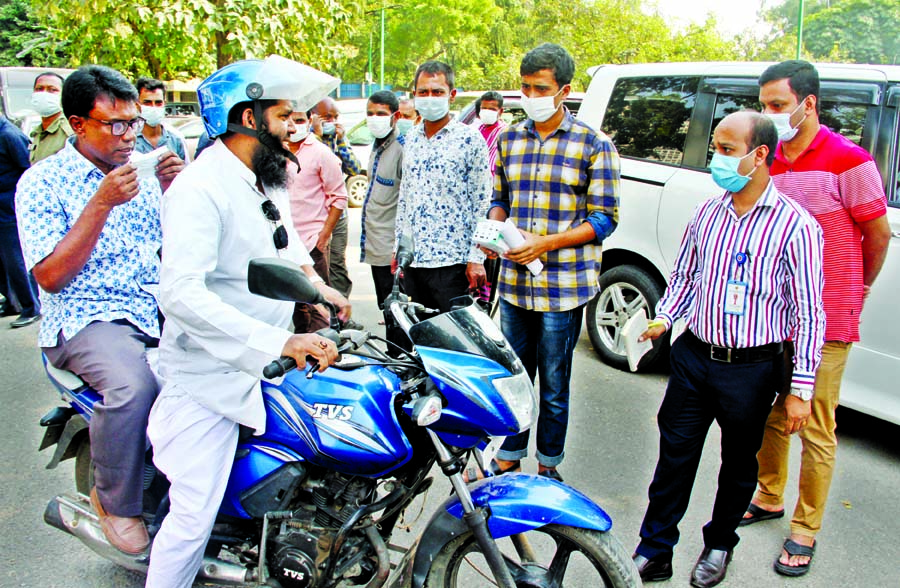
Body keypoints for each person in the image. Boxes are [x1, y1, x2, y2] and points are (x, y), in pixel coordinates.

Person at [145, 56, 348, 588]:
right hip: (207, 378)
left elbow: (288, 246)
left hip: (268, 367)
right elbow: (180, 294)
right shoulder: (200, 188)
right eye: (285, 115)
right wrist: (282, 338)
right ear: (248, 118)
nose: (296, 128)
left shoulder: (268, 178)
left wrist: (322, 289)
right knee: (192, 515)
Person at [631, 111, 825, 588]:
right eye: (715, 146)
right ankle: (655, 550)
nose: (716, 158)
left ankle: (719, 545)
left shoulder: (796, 226)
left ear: (760, 155)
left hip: (752, 368)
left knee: (740, 464)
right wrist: (666, 316)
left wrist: (801, 387)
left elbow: (809, 313)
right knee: (673, 457)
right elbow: (685, 278)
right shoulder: (707, 213)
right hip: (695, 357)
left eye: (727, 149)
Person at [15, 65, 184, 555]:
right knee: (134, 388)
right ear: (77, 123)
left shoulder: (146, 168)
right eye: (115, 124)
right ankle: (117, 503)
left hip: (156, 306)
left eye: (134, 122)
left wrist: (181, 190)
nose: (130, 134)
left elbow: (178, 244)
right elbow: (49, 275)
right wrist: (100, 203)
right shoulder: (42, 182)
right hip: (88, 317)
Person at [741, 60, 892, 577]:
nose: (770, 115)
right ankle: (768, 495)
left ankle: (805, 529)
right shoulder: (770, 158)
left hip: (826, 318)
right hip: (771, 316)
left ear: (809, 104)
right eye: (764, 105)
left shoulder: (849, 161)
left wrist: (857, 287)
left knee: (814, 422)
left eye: (778, 106)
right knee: (769, 415)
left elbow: (877, 235)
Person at [484, 44, 619, 482]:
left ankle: (548, 464)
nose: (530, 94)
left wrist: (546, 243)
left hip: (564, 287)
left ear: (564, 90)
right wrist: (493, 231)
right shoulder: (509, 139)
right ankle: (510, 454)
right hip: (515, 284)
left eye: (539, 88)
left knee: (555, 385)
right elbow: (500, 200)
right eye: (524, 86)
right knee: (514, 377)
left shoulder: (594, 145)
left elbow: (604, 219)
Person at [395, 60, 491, 314]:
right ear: (414, 94)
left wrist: (476, 258)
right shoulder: (412, 138)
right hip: (414, 261)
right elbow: (406, 196)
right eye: (423, 92)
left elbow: (482, 202)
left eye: (437, 92)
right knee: (419, 341)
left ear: (452, 95)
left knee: (453, 345)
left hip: (453, 264)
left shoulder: (470, 139)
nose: (430, 98)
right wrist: (399, 249)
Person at [285, 107, 348, 333]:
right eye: (288, 119)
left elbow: (339, 198)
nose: (294, 126)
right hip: (284, 245)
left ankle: (326, 354)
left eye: (300, 119)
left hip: (311, 243)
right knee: (296, 308)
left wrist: (324, 234)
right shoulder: (274, 152)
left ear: (310, 120)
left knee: (319, 306)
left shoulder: (321, 153)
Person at [360, 90, 407, 352]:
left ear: (395, 116)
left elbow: (407, 200)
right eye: (370, 113)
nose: (374, 119)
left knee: (397, 313)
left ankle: (401, 365)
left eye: (380, 114)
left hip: (392, 250)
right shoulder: (377, 146)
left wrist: (398, 248)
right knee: (387, 310)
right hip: (376, 245)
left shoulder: (402, 149)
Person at [310, 97, 361, 301]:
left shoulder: (338, 140)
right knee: (319, 264)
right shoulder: (307, 141)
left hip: (338, 214)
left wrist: (340, 140)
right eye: (326, 117)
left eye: (335, 117)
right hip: (316, 216)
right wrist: (317, 136)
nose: (332, 121)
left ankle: (342, 311)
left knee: (337, 263)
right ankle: (323, 313)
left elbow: (354, 168)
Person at [0, 112, 40, 327]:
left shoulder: (10, 135)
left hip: (9, 211)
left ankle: (30, 306)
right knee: (3, 264)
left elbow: (27, 171)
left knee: (16, 261)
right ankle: (12, 301)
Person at [134, 77, 188, 161]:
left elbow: (186, 170)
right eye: (147, 103)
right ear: (137, 105)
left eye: (158, 103)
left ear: (164, 104)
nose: (153, 107)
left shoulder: (176, 139)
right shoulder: (129, 140)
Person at [29, 71, 73, 163]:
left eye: (52, 90)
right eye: (39, 89)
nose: (44, 94)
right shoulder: (38, 132)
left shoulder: (70, 131)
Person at [475, 91, 506, 175]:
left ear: (500, 111)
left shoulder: (505, 133)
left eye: (492, 109)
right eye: (484, 108)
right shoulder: (478, 130)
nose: (487, 112)